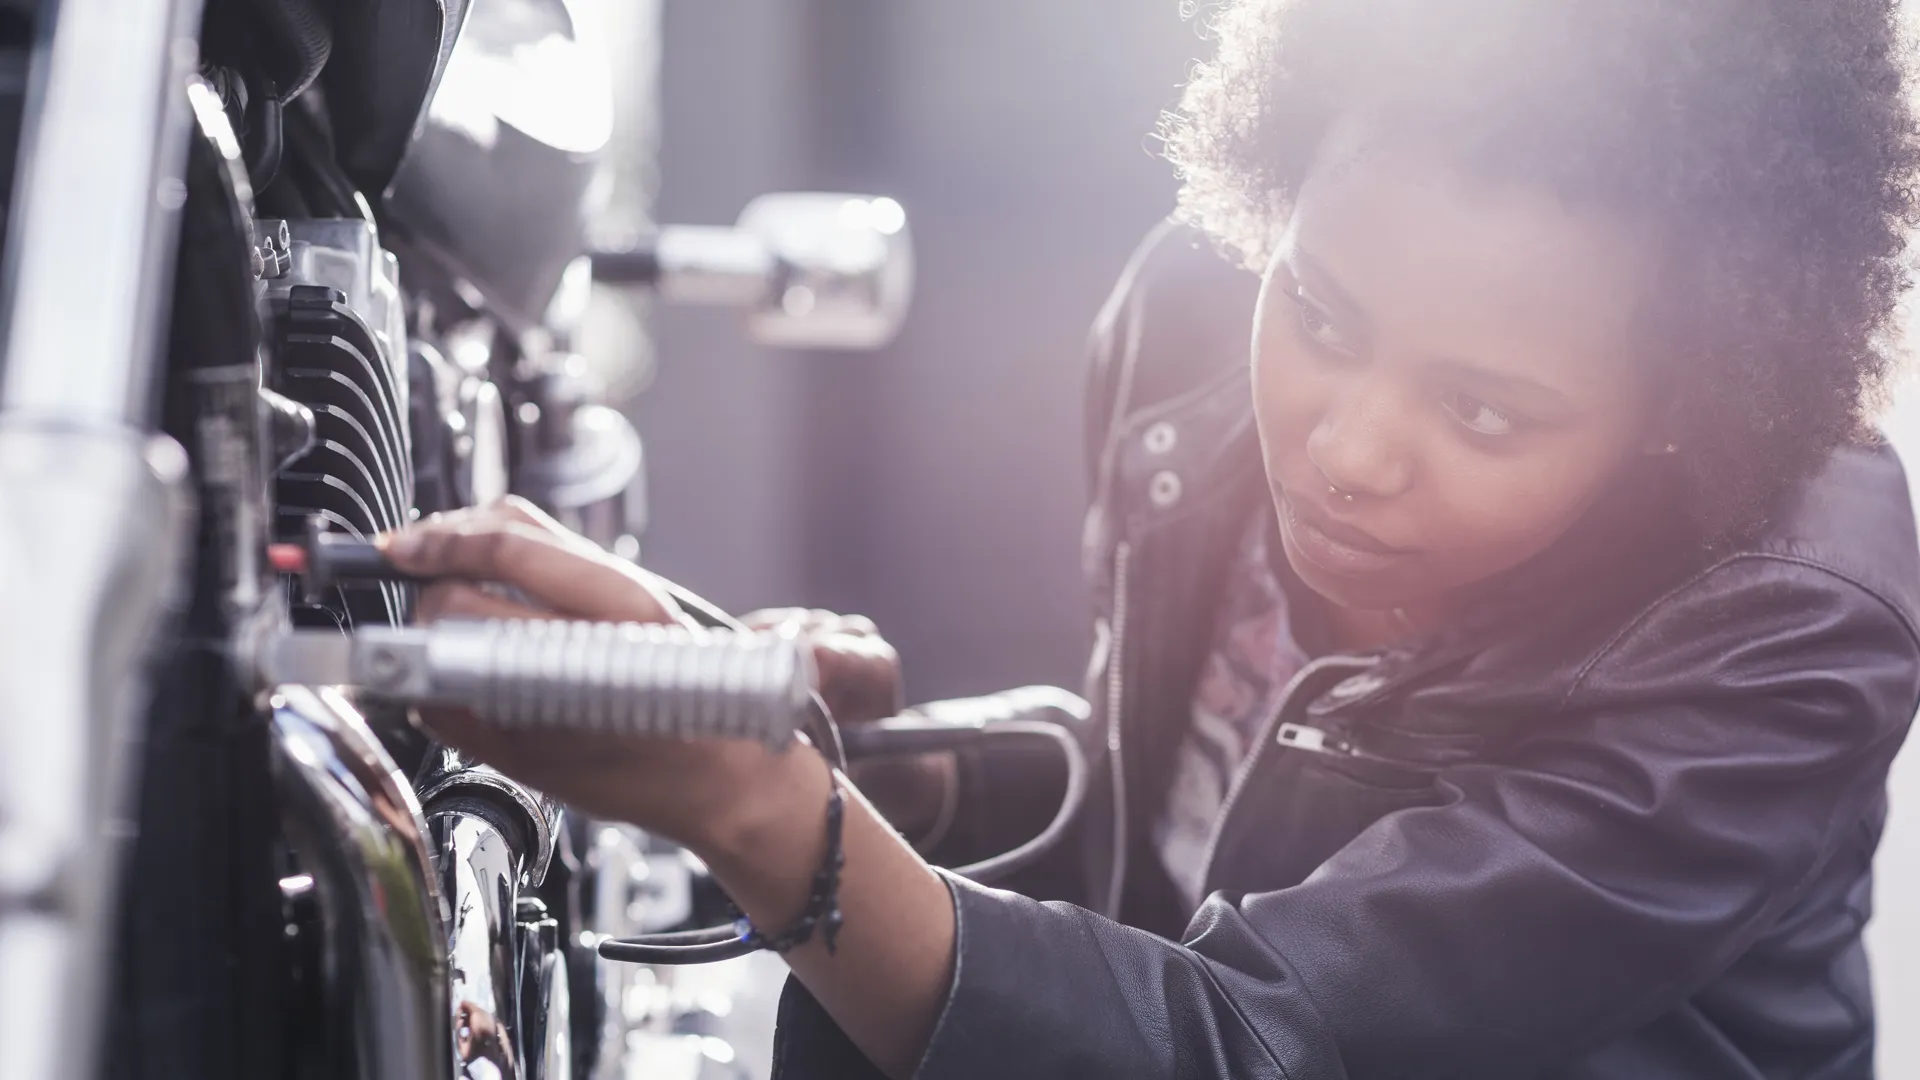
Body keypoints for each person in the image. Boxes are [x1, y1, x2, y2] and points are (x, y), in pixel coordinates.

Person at [382, 0, 1920, 1075]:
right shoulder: (1198, 305)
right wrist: (826, 742)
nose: (1346, 446)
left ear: (1686, 404)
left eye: (1488, 415)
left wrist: (765, 816)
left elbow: (1263, 1039)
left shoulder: (1790, 627)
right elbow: (1182, 793)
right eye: (1321, 312)